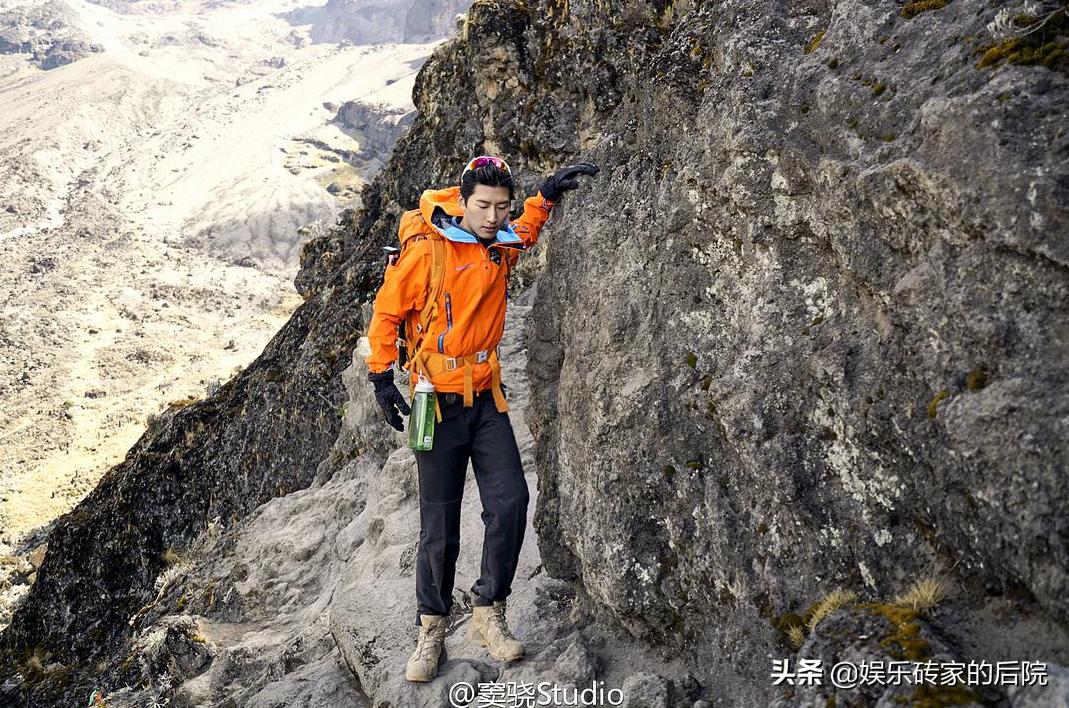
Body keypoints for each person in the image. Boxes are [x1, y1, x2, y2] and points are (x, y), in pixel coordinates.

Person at [364, 155, 598, 682]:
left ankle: (488, 612)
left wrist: (546, 197)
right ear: (463, 201)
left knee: (511, 500)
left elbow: (526, 232)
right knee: (438, 527)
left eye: (501, 207)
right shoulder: (427, 251)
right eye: (483, 206)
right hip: (437, 401)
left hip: (486, 397)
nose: (493, 216)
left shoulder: (499, 244)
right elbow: (386, 311)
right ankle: (431, 630)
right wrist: (381, 377)